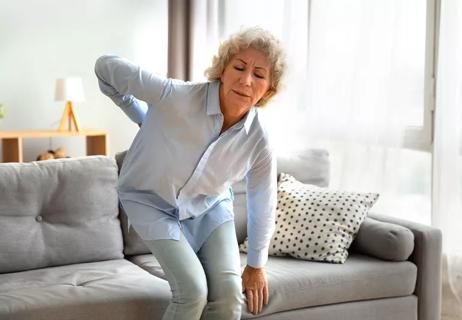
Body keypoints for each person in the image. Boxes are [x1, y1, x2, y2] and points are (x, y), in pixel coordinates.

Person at [95, 26, 286, 320]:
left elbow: (263, 201)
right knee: (192, 292)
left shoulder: (259, 140)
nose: (246, 80)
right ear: (223, 69)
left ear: (268, 90)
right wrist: (144, 119)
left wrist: (257, 264)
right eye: (239, 67)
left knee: (228, 299)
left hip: (210, 206)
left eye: (259, 75)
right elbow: (104, 67)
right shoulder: (176, 96)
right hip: (149, 201)